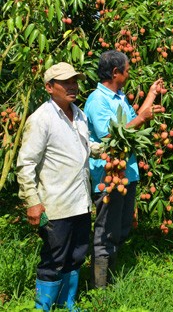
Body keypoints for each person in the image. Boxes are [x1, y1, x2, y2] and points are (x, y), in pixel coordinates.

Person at [16, 63, 92, 310]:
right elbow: (26, 163)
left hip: (80, 201)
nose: (73, 86)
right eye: (65, 82)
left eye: (75, 81)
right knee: (54, 258)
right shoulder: (41, 119)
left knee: (76, 255)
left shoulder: (80, 115)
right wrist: (32, 201)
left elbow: (86, 147)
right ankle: (43, 306)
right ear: (49, 87)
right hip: (56, 204)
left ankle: (66, 303)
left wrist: (107, 149)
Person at [85, 50, 164, 288]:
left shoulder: (118, 96)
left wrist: (151, 95)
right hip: (108, 176)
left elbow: (133, 120)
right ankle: (100, 288)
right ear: (116, 72)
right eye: (127, 70)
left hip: (126, 174)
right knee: (105, 231)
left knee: (120, 228)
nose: (129, 74)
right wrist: (142, 119)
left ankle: (111, 279)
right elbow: (111, 138)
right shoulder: (97, 101)